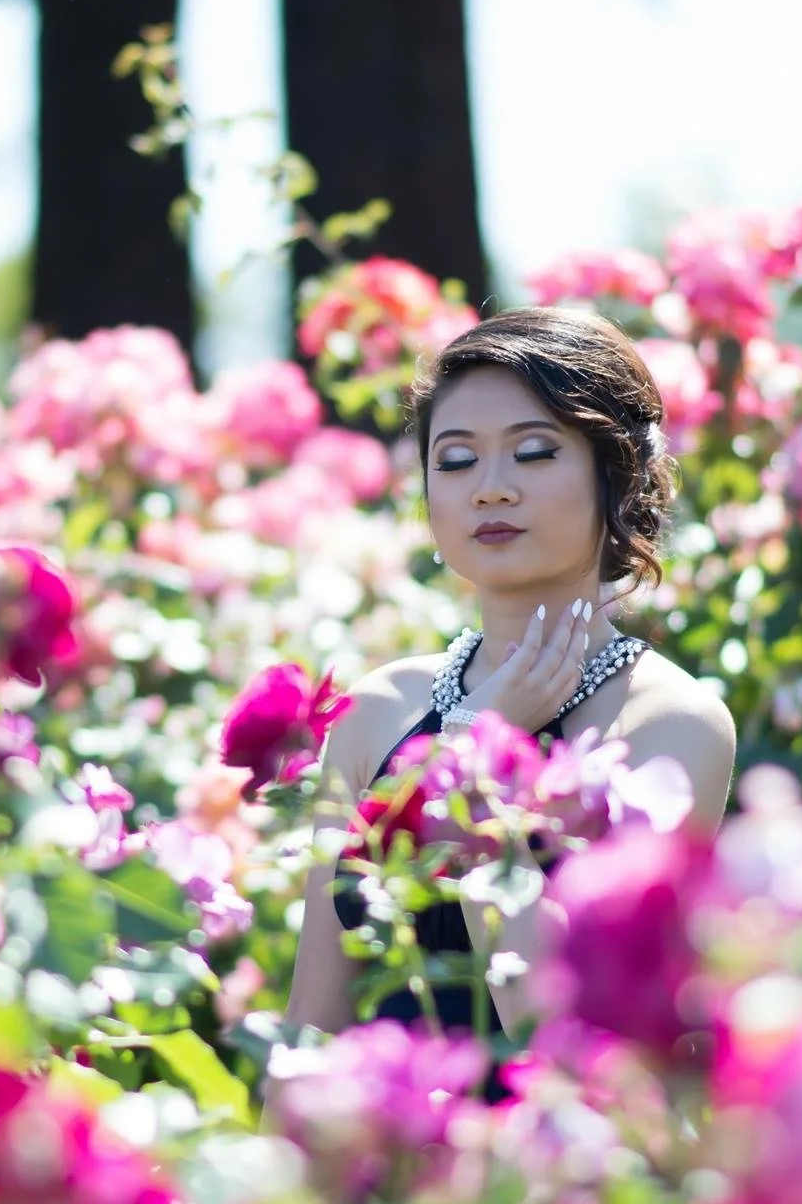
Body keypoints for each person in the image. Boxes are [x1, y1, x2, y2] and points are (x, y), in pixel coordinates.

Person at [284, 307, 737, 1040]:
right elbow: (312, 1025)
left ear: (615, 473)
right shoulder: (376, 712)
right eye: (456, 460)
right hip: (386, 1144)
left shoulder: (668, 723)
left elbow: (578, 1041)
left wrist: (476, 773)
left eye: (532, 451)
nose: (490, 488)